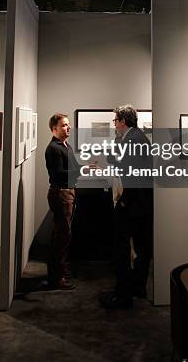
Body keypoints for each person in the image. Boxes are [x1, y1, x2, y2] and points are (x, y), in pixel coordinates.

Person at [100, 104, 153, 309]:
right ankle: (137, 287)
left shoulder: (132, 140)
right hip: (141, 204)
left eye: (115, 121)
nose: (114, 124)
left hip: (132, 205)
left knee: (122, 248)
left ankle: (123, 295)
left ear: (123, 121)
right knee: (141, 247)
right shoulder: (136, 137)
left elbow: (132, 176)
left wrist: (122, 202)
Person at [45, 113, 93, 290]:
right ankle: (56, 278)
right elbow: (57, 174)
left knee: (63, 234)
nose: (68, 127)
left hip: (68, 192)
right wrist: (81, 171)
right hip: (61, 193)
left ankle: (60, 272)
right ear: (54, 128)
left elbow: (72, 168)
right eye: (64, 125)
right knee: (62, 236)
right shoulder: (53, 149)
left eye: (68, 124)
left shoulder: (66, 146)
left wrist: (84, 168)